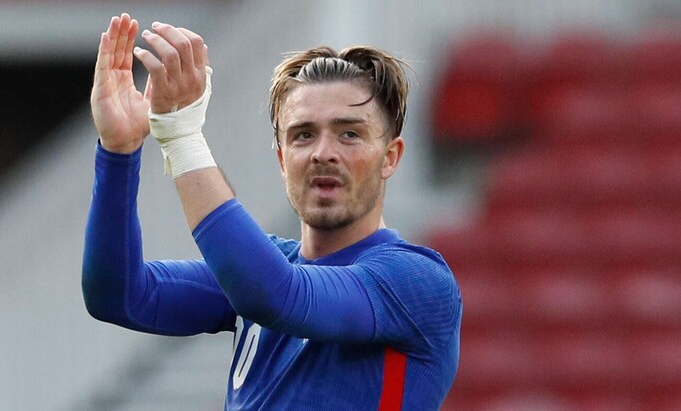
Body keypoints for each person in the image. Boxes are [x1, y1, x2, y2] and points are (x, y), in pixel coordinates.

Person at [83, 12, 461, 410]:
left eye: (350, 134)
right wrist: (118, 152)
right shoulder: (266, 268)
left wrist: (181, 137)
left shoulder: (415, 281)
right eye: (303, 135)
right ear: (282, 160)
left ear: (390, 157)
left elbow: (276, 294)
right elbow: (119, 295)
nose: (323, 153)